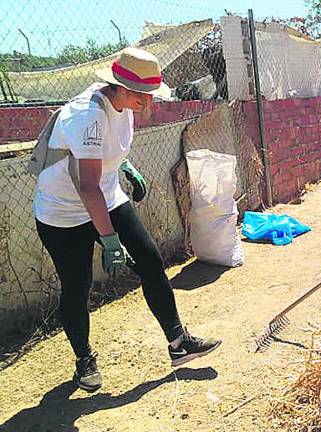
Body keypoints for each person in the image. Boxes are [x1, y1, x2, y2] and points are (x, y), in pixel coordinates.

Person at [33, 48, 221, 392]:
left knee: (149, 260)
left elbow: (104, 154)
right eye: (141, 96)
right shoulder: (86, 115)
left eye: (150, 96)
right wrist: (108, 239)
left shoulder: (123, 104)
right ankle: (83, 359)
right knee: (77, 286)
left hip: (106, 195)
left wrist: (123, 166)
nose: (147, 105)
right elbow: (87, 186)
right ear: (118, 86)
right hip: (64, 212)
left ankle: (178, 343)